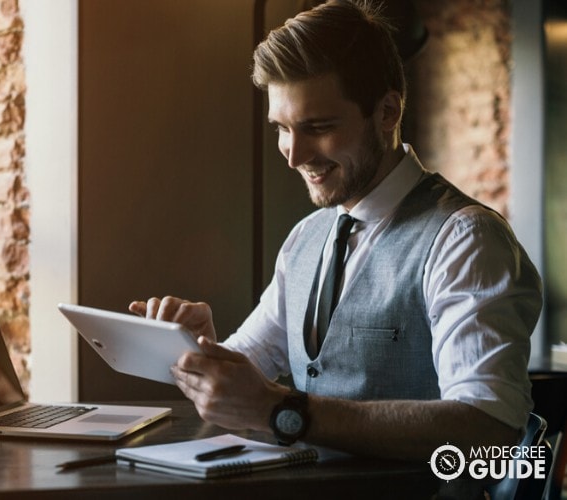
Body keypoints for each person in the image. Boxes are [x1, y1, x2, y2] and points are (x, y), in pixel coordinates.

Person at [130, 0, 542, 461]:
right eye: (281, 129)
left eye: (318, 127)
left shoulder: (466, 240)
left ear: (387, 112)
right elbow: (245, 381)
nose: (293, 154)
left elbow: (489, 430)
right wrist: (201, 351)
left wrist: (286, 410)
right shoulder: (306, 238)